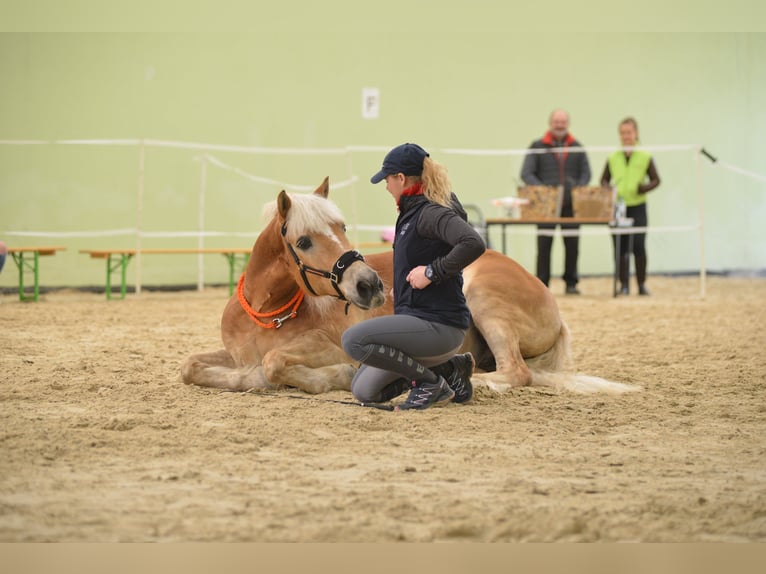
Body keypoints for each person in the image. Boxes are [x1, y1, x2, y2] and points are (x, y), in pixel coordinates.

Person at [341, 143, 486, 411]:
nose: (385, 186)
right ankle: (450, 369)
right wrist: (404, 288)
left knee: (353, 340)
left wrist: (432, 272)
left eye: (386, 179)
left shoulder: (430, 212)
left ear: (400, 178)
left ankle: (429, 383)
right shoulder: (411, 212)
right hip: (420, 322)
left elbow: (473, 242)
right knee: (364, 390)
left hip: (439, 326)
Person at [520, 109, 591, 295]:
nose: (560, 125)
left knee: (572, 245)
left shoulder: (577, 147)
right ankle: (542, 285)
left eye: (563, 121)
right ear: (550, 123)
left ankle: (571, 283)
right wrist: (544, 191)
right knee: (543, 245)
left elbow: (586, 174)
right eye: (556, 121)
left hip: (571, 206)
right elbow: (526, 173)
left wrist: (577, 187)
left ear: (568, 124)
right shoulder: (537, 146)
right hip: (545, 206)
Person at [600, 117, 661, 296]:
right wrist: (609, 189)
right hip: (618, 208)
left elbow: (656, 180)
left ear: (636, 134)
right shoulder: (613, 157)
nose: (626, 136)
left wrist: (643, 188)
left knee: (639, 246)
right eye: (623, 133)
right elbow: (603, 179)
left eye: (629, 132)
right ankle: (623, 284)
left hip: (638, 206)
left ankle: (641, 284)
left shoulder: (645, 156)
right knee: (620, 247)